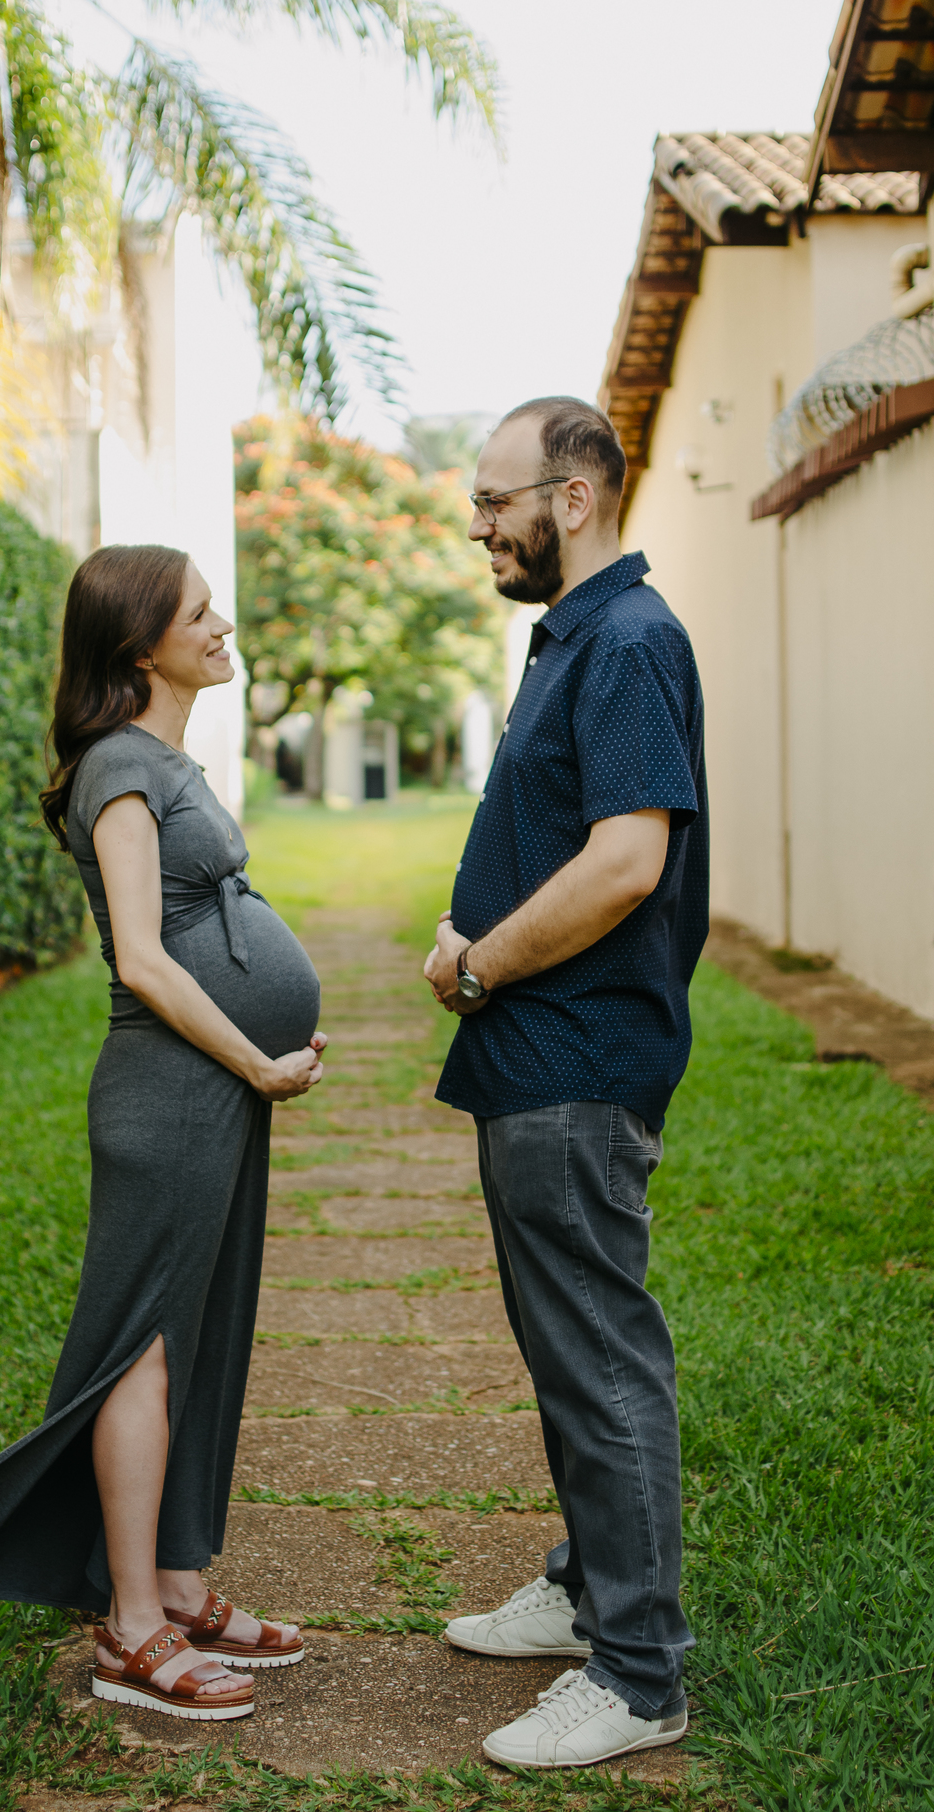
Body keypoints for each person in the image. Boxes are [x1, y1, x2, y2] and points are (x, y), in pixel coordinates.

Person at [0, 544, 327, 1722]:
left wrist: (261, 1045)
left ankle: (176, 1583)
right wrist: (256, 1059)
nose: (223, 625)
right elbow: (141, 957)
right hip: (170, 1092)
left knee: (199, 1331)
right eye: (200, 614)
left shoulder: (160, 759)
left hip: (213, 1087)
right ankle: (132, 1629)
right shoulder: (120, 768)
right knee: (145, 1346)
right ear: (141, 646)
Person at [424, 398, 707, 1771]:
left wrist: (479, 963)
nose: (480, 524)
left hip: (578, 1057)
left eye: (496, 500)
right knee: (564, 1352)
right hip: (536, 1058)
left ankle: (640, 1677)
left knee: (599, 1363)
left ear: (574, 496)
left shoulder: (631, 639)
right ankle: (590, 1590)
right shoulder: (577, 637)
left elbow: (626, 861)